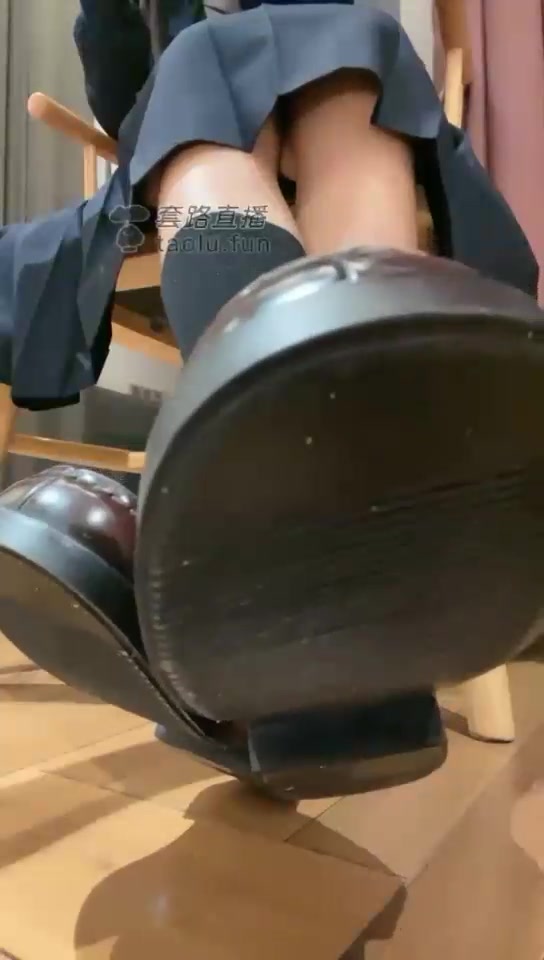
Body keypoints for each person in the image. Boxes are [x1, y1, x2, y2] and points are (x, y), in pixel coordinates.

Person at [1, 0, 544, 798]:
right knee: (201, 71)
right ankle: (357, 588)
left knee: (344, 48)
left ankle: (273, 567)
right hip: (182, 166)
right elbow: (122, 103)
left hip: (335, 126)